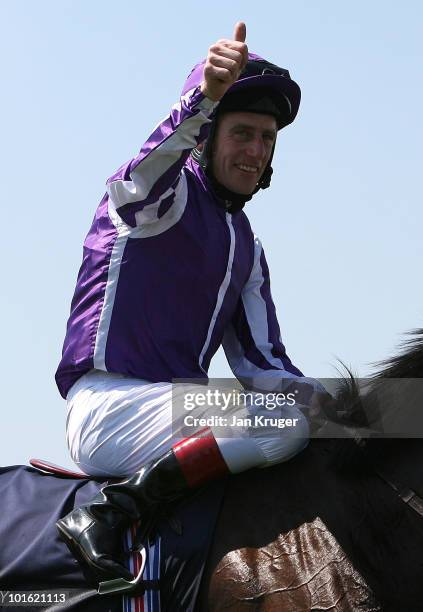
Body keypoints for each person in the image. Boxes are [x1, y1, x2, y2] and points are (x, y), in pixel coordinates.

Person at [55, 22, 328, 583]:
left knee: (324, 411)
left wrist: (350, 405)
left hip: (179, 409)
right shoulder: (159, 198)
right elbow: (147, 171)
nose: (256, 152)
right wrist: (202, 100)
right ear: (206, 137)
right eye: (243, 133)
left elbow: (264, 367)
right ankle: (113, 511)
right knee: (284, 424)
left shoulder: (246, 247)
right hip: (108, 408)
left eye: (268, 139)